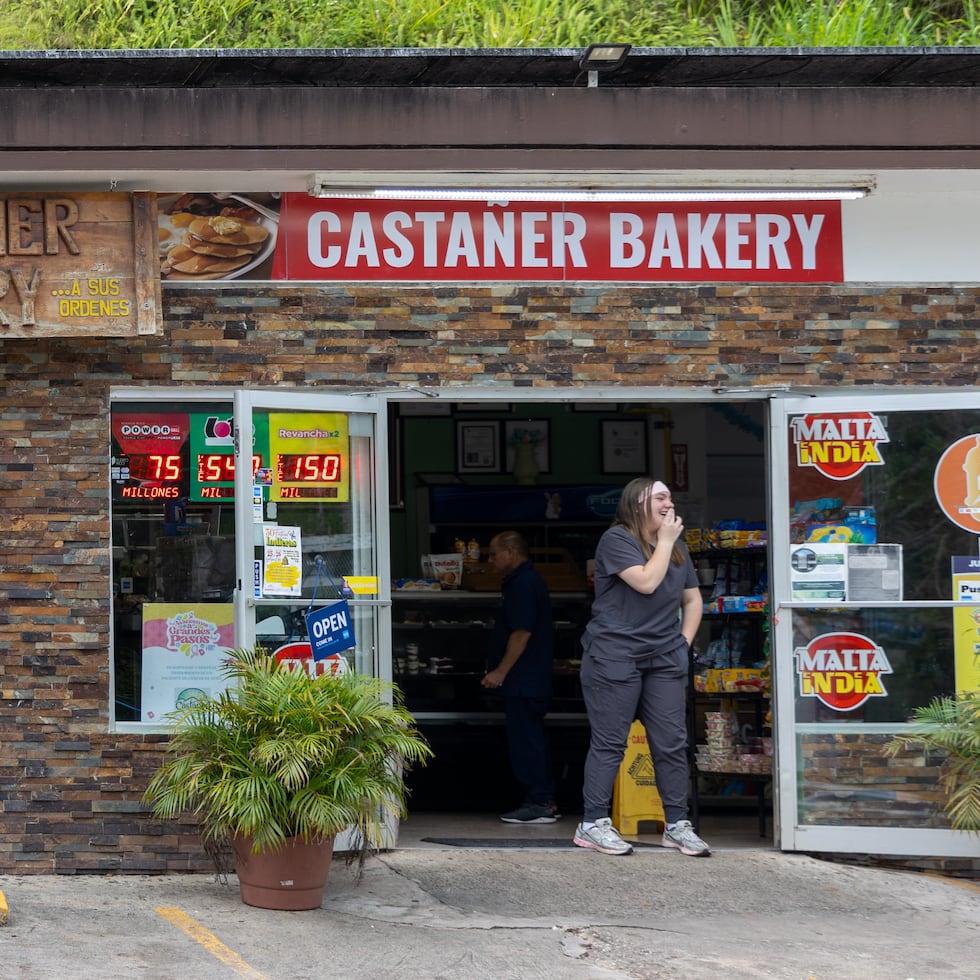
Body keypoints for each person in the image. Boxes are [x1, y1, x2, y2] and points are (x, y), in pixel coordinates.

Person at [573, 478, 710, 857]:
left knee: (671, 742)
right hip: (615, 653)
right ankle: (592, 823)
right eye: (661, 497)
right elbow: (647, 583)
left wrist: (682, 643)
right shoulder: (617, 540)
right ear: (638, 503)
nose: (670, 503)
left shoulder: (677, 548)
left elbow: (693, 600)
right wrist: (665, 542)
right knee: (610, 742)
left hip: (664, 656)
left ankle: (677, 825)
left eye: (671, 497)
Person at [480, 531, 558, 824]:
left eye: (494, 554)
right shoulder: (521, 581)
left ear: (511, 552)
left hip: (526, 680)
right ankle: (540, 799)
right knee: (528, 739)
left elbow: (522, 632)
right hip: (526, 679)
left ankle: (540, 801)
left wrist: (500, 671)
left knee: (528, 741)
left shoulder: (524, 583)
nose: (491, 561)